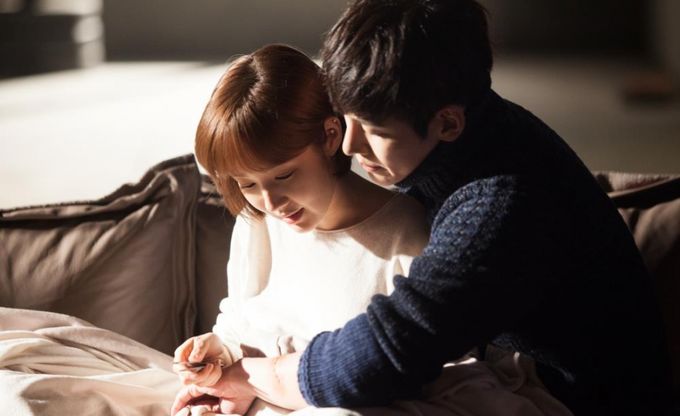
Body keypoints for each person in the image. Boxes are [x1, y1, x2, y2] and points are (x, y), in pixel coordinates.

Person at [172, 1, 674, 414]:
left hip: (574, 400)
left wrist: (254, 375)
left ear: (448, 124)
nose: (347, 146)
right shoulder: (464, 129)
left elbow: (389, 351)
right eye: (345, 118)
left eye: (374, 131)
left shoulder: (499, 206)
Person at [171, 43, 429, 415]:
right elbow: (240, 321)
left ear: (330, 135)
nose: (271, 202)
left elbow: (430, 374)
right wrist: (218, 353)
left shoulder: (406, 235)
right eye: (248, 184)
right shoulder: (257, 224)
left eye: (284, 176)